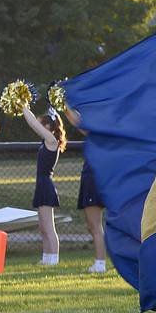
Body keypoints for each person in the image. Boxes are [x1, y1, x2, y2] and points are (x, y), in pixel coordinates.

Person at [64, 107, 108, 274]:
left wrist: (65, 105)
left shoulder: (100, 132)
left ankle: (100, 263)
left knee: (95, 225)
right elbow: (78, 122)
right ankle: (100, 262)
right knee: (93, 225)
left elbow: (78, 121)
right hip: (92, 176)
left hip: (94, 177)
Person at [23, 105, 66, 266]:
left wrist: (24, 106)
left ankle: (53, 259)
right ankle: (46, 257)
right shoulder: (46, 141)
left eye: (43, 124)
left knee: (48, 227)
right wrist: (25, 108)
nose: (40, 126)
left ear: (48, 127)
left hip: (46, 185)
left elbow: (33, 123)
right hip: (41, 184)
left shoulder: (52, 140)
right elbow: (34, 124)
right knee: (43, 226)